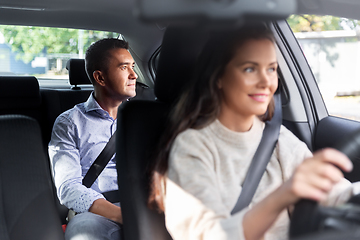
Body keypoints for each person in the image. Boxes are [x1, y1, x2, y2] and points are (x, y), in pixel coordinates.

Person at [148, 24, 360, 240]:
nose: (266, 82)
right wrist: (283, 196)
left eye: (271, 69)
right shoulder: (191, 146)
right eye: (250, 68)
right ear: (218, 76)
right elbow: (207, 235)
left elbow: (337, 195)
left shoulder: (278, 138)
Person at [49, 38, 137, 240]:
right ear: (100, 77)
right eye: (125, 68)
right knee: (84, 235)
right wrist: (124, 216)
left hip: (143, 203)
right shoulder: (69, 122)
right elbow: (69, 188)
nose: (134, 75)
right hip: (96, 212)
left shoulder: (144, 117)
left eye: (133, 66)